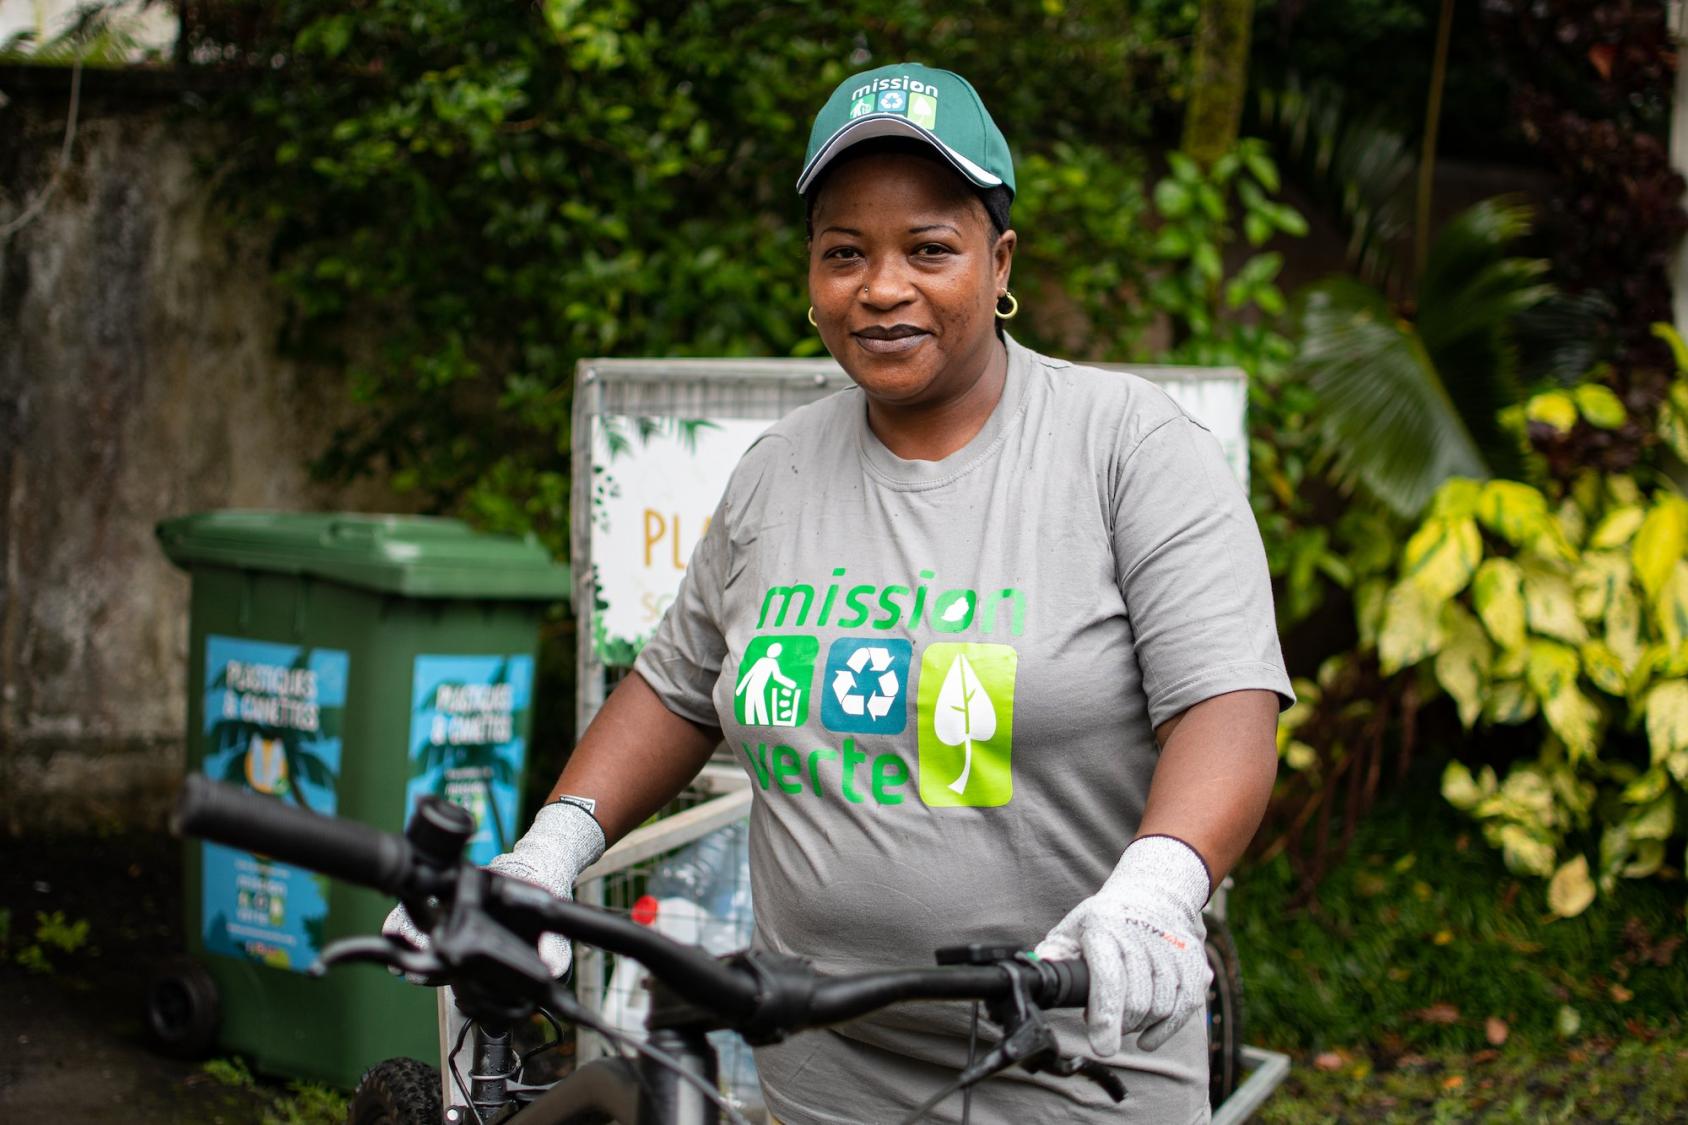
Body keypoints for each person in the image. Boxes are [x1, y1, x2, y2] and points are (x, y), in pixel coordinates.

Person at [390, 62, 1292, 1124]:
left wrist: (1160, 885)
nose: (881, 287)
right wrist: (552, 850)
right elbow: (677, 689)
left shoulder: (1127, 449)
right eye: (843, 253)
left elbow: (1224, 705)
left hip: (1075, 1066)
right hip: (820, 1063)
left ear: (998, 262)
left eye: (928, 249)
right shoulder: (778, 471)